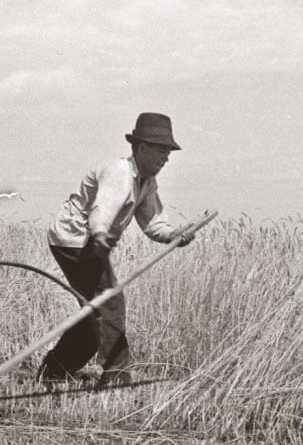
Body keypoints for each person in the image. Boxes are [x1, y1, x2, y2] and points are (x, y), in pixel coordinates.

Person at [41, 112, 196, 387]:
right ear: (143, 147)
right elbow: (103, 208)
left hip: (93, 242)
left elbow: (153, 222)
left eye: (169, 152)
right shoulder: (120, 172)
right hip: (75, 238)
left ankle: (55, 369)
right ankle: (115, 376)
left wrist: (174, 235)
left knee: (96, 311)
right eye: (162, 150)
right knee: (110, 302)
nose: (167, 157)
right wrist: (100, 234)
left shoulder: (147, 181)